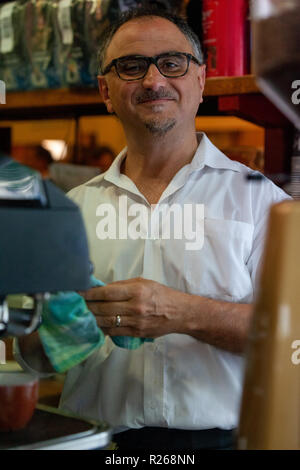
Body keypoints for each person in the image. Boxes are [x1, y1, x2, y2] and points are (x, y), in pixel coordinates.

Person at [16, 8, 291, 450]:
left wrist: (183, 313)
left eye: (172, 63)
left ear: (201, 81)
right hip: (94, 443)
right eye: (131, 66)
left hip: (225, 444)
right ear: (106, 91)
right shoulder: (68, 213)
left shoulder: (263, 203)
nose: (153, 81)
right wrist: (51, 337)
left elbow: (293, 337)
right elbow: (32, 358)